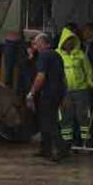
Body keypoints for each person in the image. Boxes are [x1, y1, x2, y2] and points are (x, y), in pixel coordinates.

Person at [27, 33, 67, 162]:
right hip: (57, 93)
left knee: (49, 122)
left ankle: (60, 150)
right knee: (46, 121)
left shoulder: (44, 56)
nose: (35, 45)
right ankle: (46, 149)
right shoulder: (57, 55)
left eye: (37, 43)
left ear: (45, 44)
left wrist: (32, 92)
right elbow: (62, 77)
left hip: (48, 93)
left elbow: (41, 76)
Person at [57, 25, 93, 148]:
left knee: (83, 116)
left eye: (72, 41)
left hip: (81, 90)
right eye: (68, 41)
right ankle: (67, 142)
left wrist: (89, 83)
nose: (70, 43)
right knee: (66, 116)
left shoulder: (80, 54)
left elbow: (88, 70)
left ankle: (86, 140)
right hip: (65, 91)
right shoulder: (57, 55)